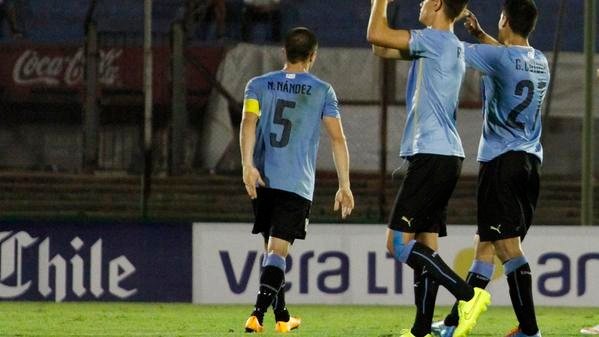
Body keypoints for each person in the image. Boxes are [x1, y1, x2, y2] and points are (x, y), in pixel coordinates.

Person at [367, 1, 490, 337]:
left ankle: (468, 296)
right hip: (446, 156)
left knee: (399, 244)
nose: (419, 3)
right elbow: (380, 47)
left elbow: (376, 33)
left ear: (437, 4)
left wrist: (381, 2)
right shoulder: (449, 45)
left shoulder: (431, 41)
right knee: (426, 242)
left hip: (431, 154)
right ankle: (421, 330)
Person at [430, 2, 549, 337]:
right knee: (485, 244)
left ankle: (530, 330)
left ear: (506, 21)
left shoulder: (498, 58)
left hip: (501, 162)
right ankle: (454, 324)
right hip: (529, 163)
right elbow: (509, 58)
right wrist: (482, 33)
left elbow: (452, 50)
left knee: (508, 248)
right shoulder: (539, 61)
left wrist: (448, 18)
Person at [240, 26, 354, 333]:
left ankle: (283, 317)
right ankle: (256, 314)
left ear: (284, 53)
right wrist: (344, 185)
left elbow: (248, 123)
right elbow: (338, 139)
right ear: (313, 56)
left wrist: (247, 165)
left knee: (270, 251)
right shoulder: (322, 91)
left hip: (263, 179)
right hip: (296, 185)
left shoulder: (258, 85)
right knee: (278, 252)